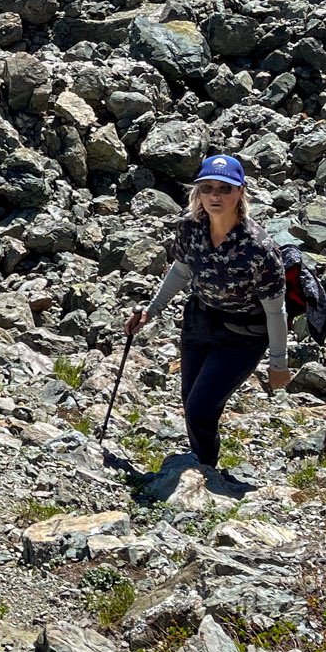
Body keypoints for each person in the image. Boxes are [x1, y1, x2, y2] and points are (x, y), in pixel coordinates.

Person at [122, 154, 293, 477]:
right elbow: (180, 271)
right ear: (198, 192)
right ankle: (202, 464)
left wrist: (278, 363)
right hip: (199, 321)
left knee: (201, 407)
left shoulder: (260, 249)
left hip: (243, 336)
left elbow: (275, 310)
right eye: (207, 188)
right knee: (191, 400)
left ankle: (203, 472)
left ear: (240, 192)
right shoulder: (190, 227)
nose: (215, 196)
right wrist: (150, 311)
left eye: (224, 189)